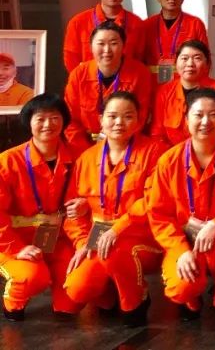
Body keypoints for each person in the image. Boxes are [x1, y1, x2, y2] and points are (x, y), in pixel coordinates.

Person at [147, 88, 215, 331]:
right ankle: (191, 301)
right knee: (180, 289)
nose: (206, 122)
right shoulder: (169, 161)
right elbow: (159, 214)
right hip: (183, 238)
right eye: (199, 115)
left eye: (214, 114)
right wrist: (180, 250)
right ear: (186, 118)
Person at [63, 91, 163, 326]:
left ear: (139, 120)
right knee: (77, 289)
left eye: (128, 116)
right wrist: (82, 242)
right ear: (101, 120)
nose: (119, 122)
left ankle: (135, 302)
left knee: (115, 251)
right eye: (112, 116)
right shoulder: (87, 159)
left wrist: (117, 229)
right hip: (97, 236)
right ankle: (110, 292)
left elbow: (153, 200)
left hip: (143, 235)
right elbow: (72, 212)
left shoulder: (155, 152)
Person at [0, 94, 80, 319]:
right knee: (32, 277)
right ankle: (13, 304)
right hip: (15, 239)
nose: (48, 124)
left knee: (77, 286)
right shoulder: (8, 161)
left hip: (58, 237)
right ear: (29, 122)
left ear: (64, 121)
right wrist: (17, 248)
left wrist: (82, 243)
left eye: (55, 118)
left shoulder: (77, 157)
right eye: (40, 119)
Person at [63, 21, 154, 155]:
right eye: (101, 44)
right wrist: (88, 152)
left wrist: (118, 145)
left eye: (113, 43)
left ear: (123, 46)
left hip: (126, 146)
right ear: (91, 47)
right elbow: (70, 120)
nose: (107, 50)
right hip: (84, 148)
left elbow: (141, 117)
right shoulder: (78, 74)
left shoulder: (140, 73)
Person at [150, 40, 215, 147]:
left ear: (207, 64)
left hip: (210, 151)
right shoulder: (165, 92)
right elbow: (157, 133)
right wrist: (172, 155)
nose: (190, 64)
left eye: (197, 58)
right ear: (176, 63)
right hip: (172, 153)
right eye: (184, 58)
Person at [63, 0, 149, 72]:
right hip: (89, 80)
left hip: (127, 80)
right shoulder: (78, 22)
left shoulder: (137, 24)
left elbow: (140, 59)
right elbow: (71, 59)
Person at [143, 0, 210, 84]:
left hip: (187, 82)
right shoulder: (146, 25)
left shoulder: (195, 23)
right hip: (153, 83)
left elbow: (205, 58)